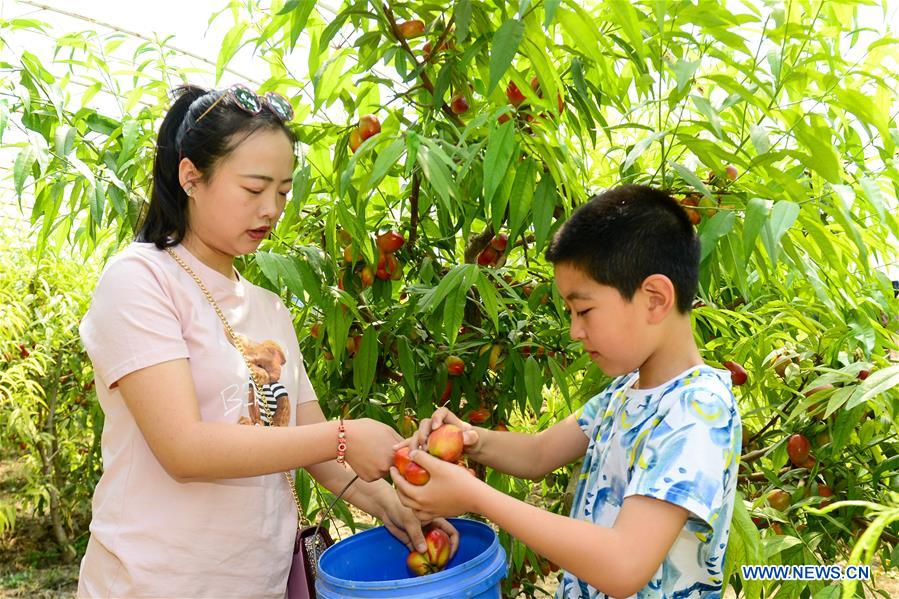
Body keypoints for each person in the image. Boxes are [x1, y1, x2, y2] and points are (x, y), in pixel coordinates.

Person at [77, 84, 456, 599]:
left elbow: (312, 443)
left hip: (260, 583)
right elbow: (183, 449)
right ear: (191, 176)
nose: (272, 208)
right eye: (254, 189)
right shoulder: (141, 279)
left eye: (282, 190)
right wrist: (344, 435)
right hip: (155, 582)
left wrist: (394, 507)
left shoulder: (268, 308)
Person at [393, 185, 741, 598]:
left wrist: (475, 496)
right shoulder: (625, 392)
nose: (576, 331)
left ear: (654, 299)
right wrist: (470, 440)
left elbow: (625, 564)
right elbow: (539, 453)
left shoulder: (698, 411)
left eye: (585, 311)